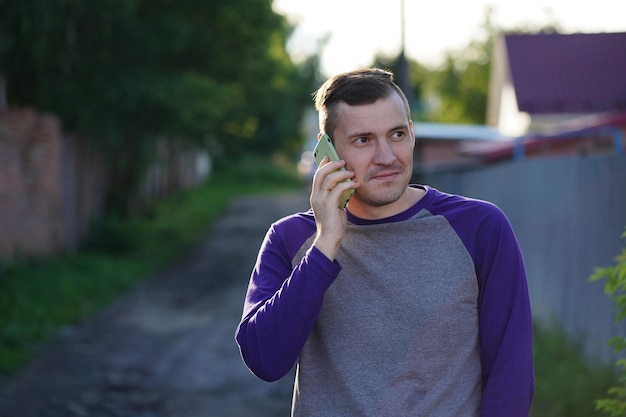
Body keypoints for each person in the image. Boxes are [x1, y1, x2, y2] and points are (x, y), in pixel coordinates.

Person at [235, 68, 534, 416]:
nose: (387, 157)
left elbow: (510, 373)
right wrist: (326, 242)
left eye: (396, 134)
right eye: (363, 140)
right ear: (327, 151)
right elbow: (264, 360)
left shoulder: (480, 227)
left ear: (411, 133)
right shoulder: (291, 239)